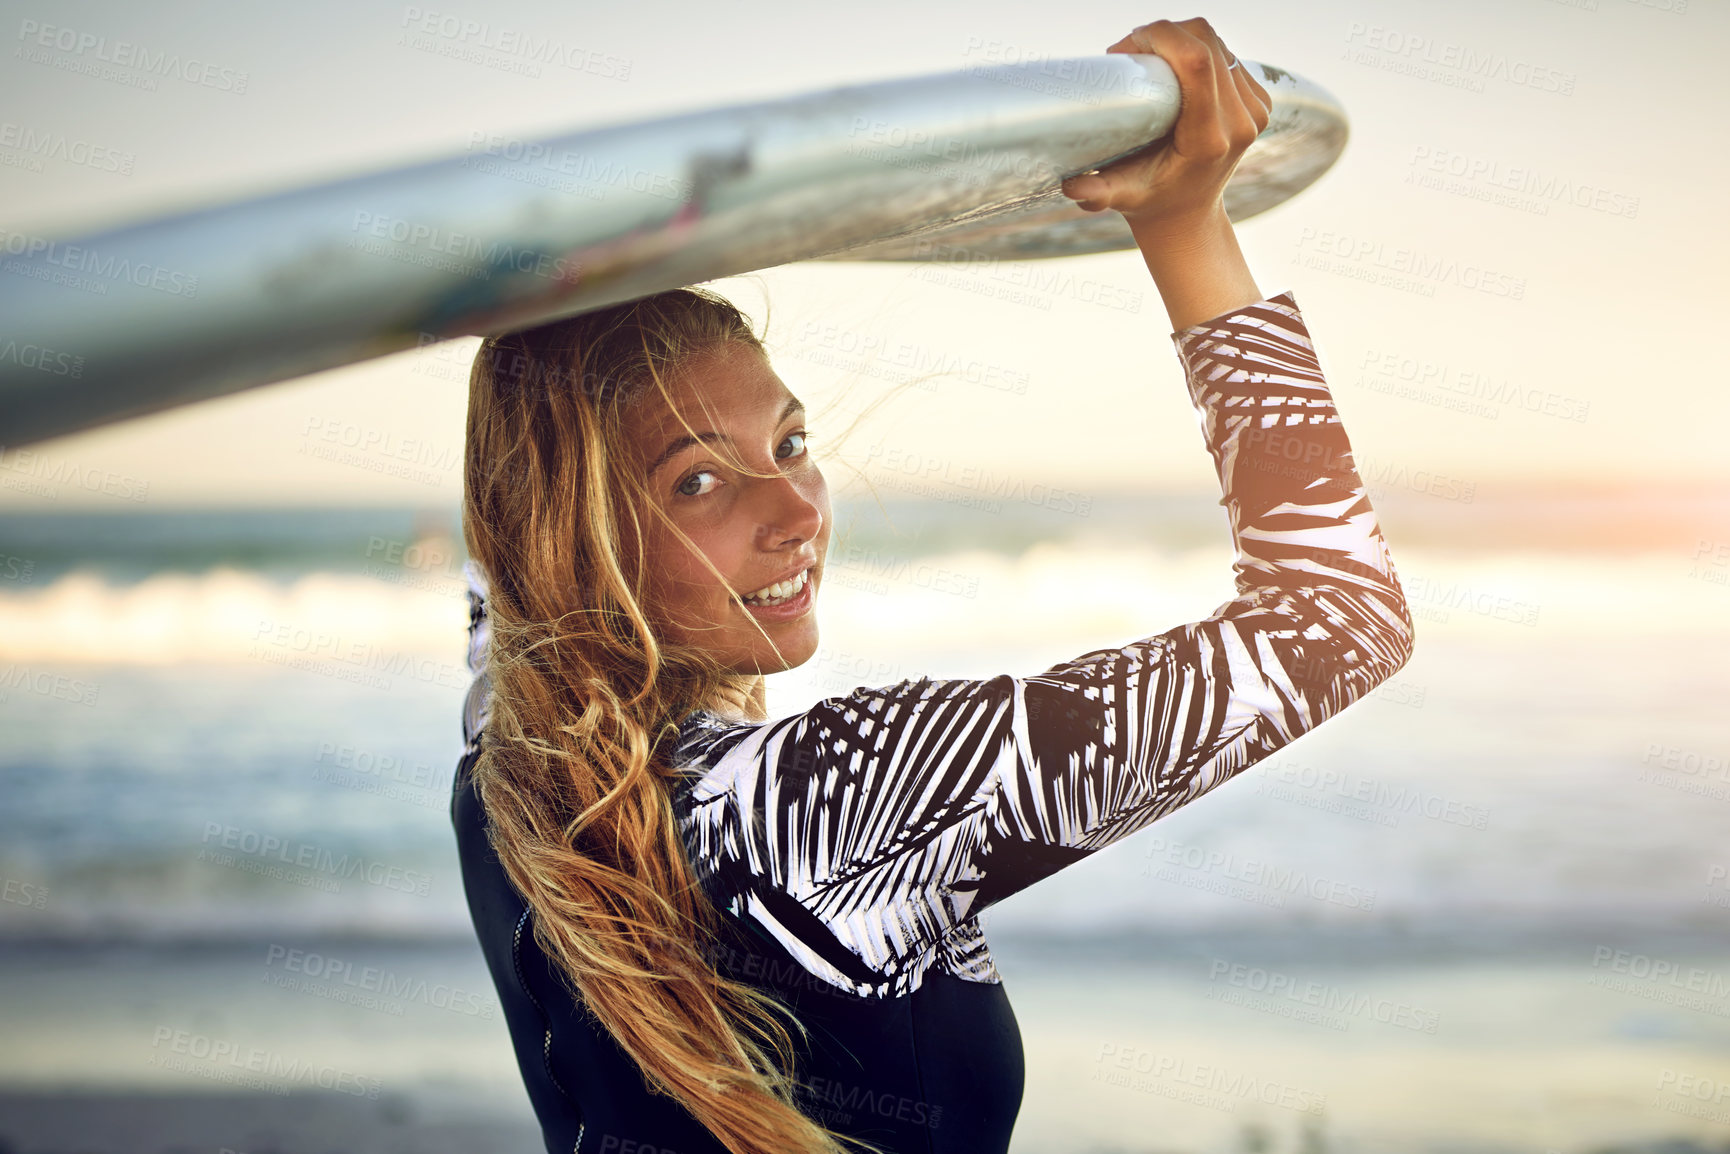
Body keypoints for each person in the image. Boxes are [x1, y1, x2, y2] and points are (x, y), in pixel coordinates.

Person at [451, 17, 1415, 1154]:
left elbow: (500, 569)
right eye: (698, 478)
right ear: (576, 534)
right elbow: (1337, 617)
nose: (798, 512)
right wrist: (1184, 223)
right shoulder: (833, 802)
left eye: (793, 443)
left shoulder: (510, 777)